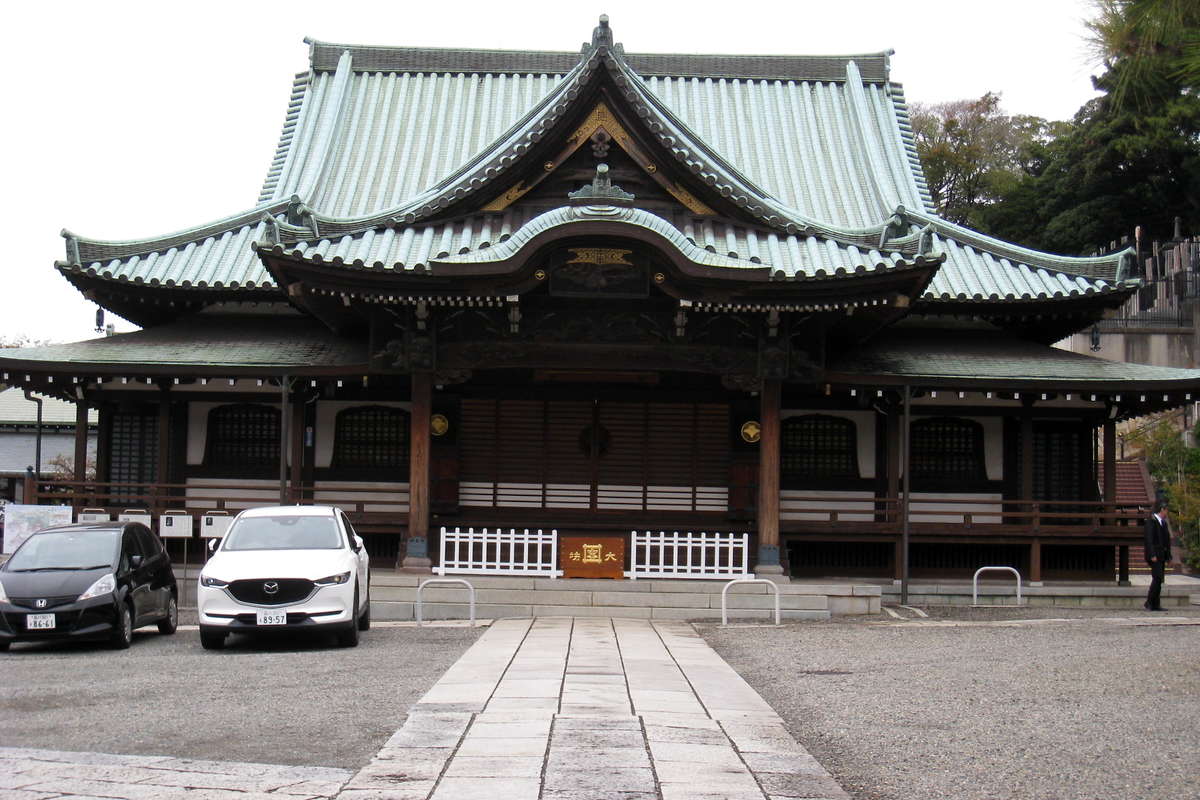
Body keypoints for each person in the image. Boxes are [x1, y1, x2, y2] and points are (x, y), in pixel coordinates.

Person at [1143, 500, 1172, 611]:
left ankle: (1155, 603)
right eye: (1166, 510)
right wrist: (1152, 554)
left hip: (1162, 554)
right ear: (1162, 509)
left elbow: (1167, 541)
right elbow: (1149, 540)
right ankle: (1149, 601)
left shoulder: (1163, 523)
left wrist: (1168, 556)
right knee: (1157, 577)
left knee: (1159, 579)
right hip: (1154, 554)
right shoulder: (1151, 521)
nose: (1167, 512)